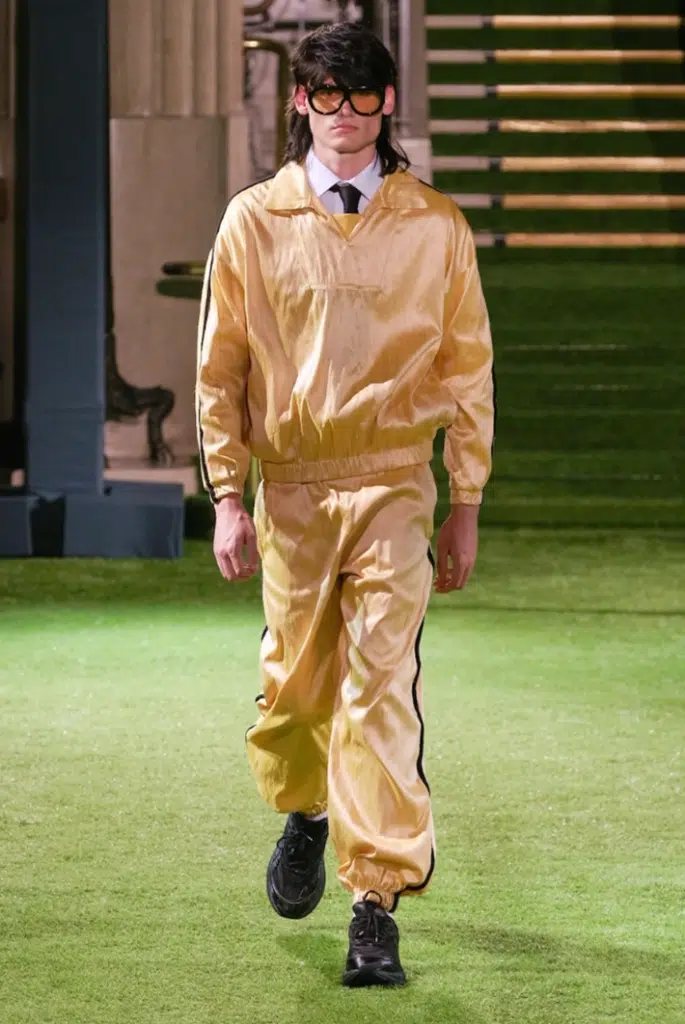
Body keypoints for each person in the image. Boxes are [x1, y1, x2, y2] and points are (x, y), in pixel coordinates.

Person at [196, 23, 494, 988]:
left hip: (396, 483)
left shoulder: (434, 225)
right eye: (327, 96)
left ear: (388, 104)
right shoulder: (253, 222)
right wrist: (227, 495)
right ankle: (307, 811)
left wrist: (466, 498)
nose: (346, 117)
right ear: (300, 102)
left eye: (363, 99)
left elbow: (467, 367)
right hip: (290, 490)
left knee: (379, 692)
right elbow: (221, 368)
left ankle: (375, 905)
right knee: (293, 692)